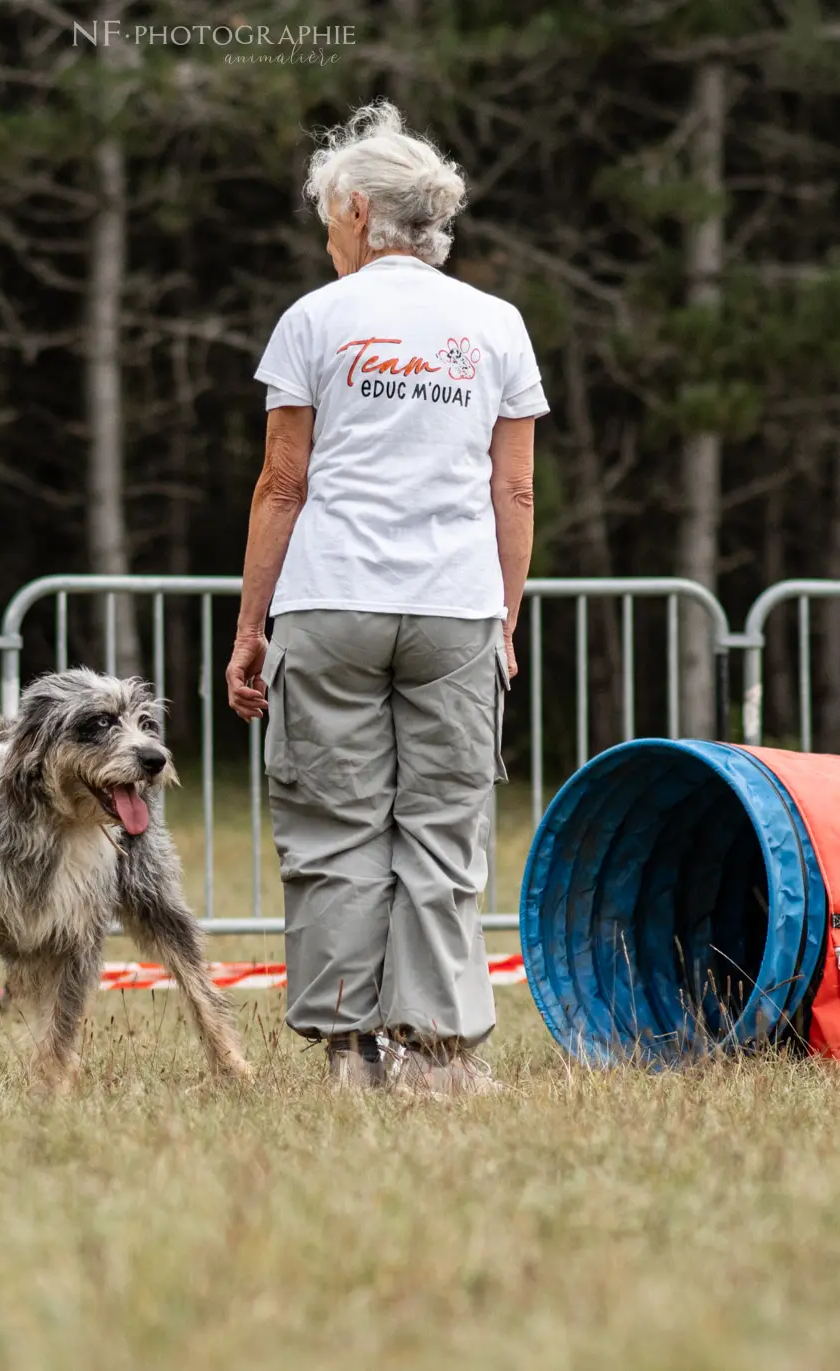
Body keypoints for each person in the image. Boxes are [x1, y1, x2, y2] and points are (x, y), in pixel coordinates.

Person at [225, 100, 546, 1096]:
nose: (327, 238)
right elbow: (515, 488)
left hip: (329, 604)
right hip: (453, 606)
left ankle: (347, 1055)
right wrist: (504, 618)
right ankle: (437, 1056)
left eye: (329, 219)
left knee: (333, 827)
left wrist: (249, 627)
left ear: (360, 211)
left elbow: (283, 483)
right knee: (441, 829)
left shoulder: (315, 319)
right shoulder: (493, 324)